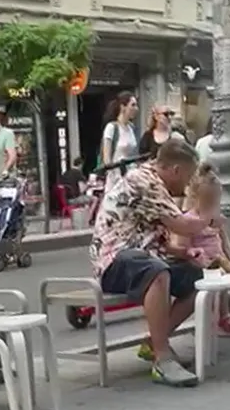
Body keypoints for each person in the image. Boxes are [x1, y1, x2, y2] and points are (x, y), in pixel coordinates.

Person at [90, 137, 210, 388]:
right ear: (176, 170)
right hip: (114, 260)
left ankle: (153, 342)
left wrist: (184, 253)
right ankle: (162, 358)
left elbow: (157, 239)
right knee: (157, 272)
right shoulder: (144, 181)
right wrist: (209, 214)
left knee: (194, 278)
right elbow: (183, 226)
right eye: (188, 177)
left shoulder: (156, 185)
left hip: (143, 257)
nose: (187, 185)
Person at [176, 163, 230, 333]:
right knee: (220, 278)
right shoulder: (189, 219)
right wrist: (197, 258)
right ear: (195, 197)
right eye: (208, 201)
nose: (212, 205)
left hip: (221, 258)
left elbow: (224, 239)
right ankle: (224, 315)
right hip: (206, 263)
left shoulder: (215, 218)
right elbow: (186, 246)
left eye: (215, 201)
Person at [100, 91, 139, 192]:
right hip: (116, 179)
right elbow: (107, 158)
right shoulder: (111, 128)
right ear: (123, 107)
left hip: (131, 178)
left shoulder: (132, 128)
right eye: (133, 105)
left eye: (136, 105)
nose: (136, 109)